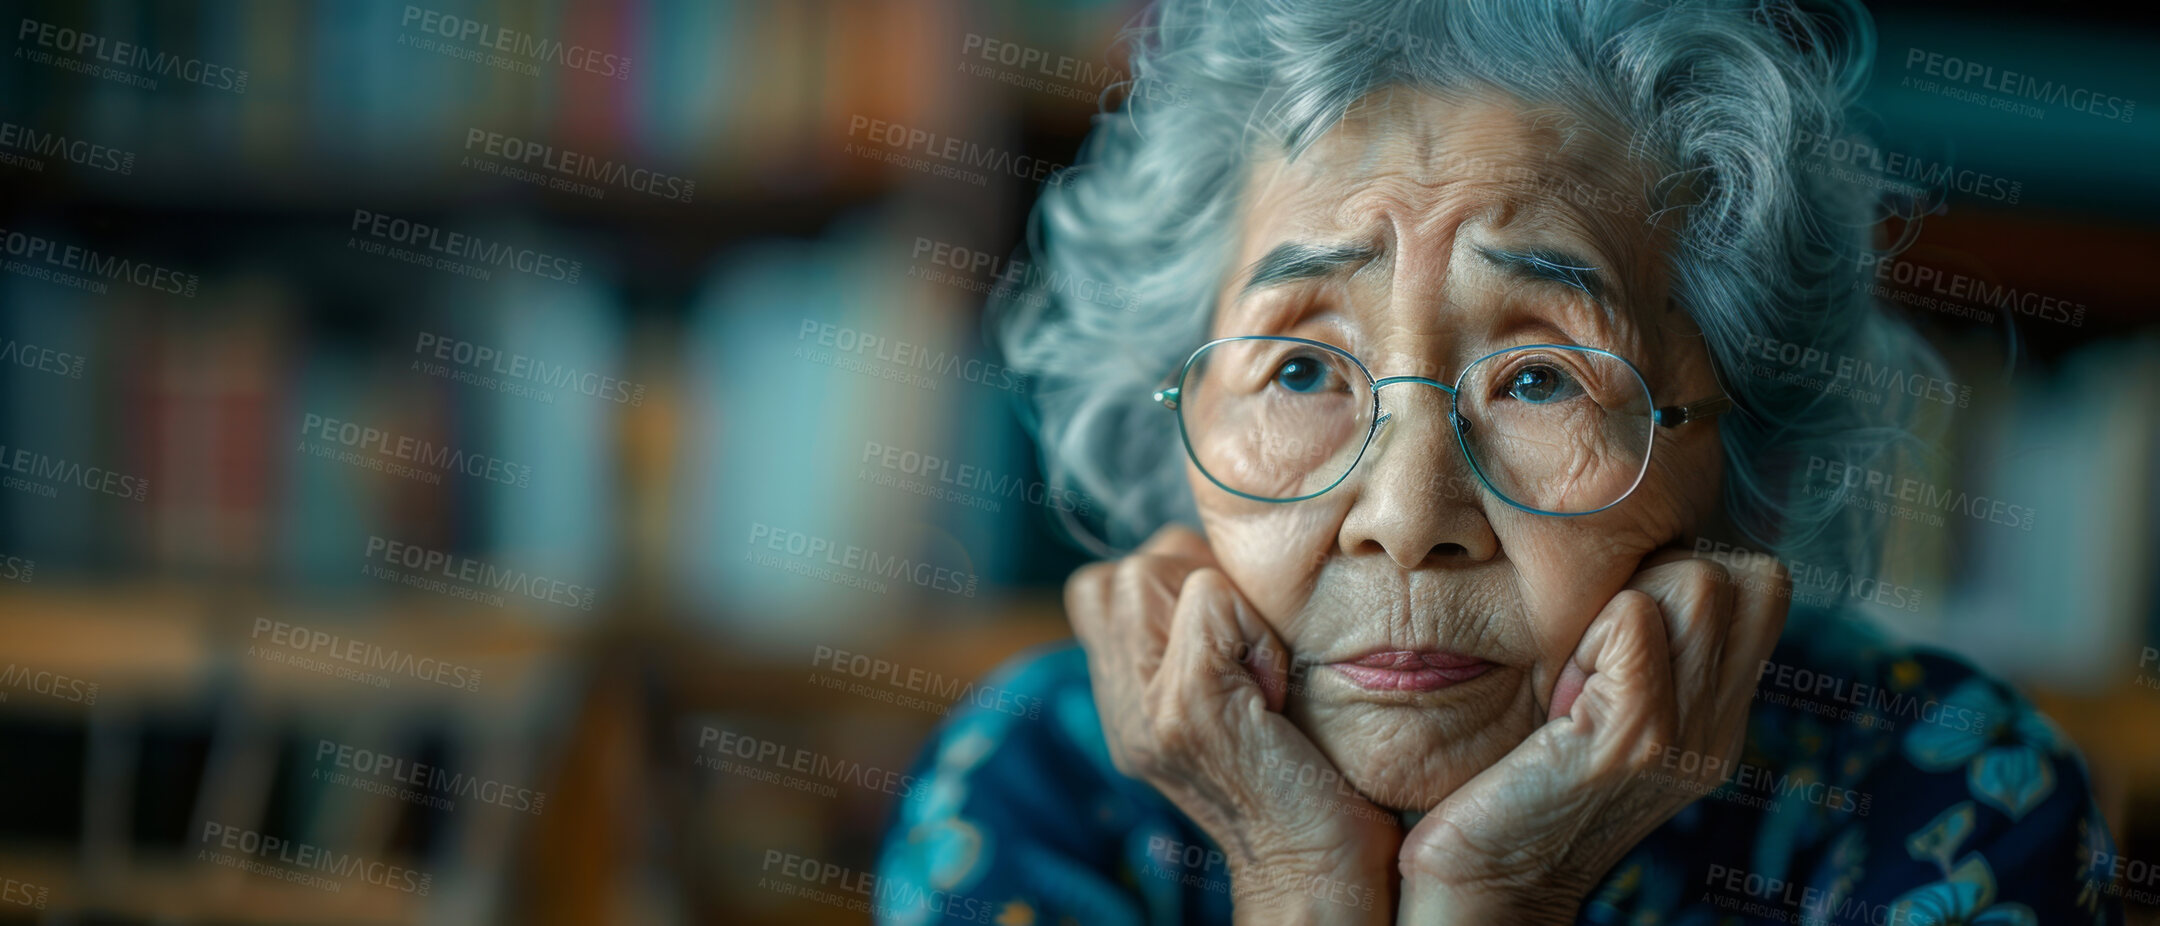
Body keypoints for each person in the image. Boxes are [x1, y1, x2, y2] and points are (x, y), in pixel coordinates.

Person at [877, 0, 2123, 922]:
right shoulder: (1043, 778)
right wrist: (1300, 880)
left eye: (1541, 376)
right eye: (1302, 368)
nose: (1407, 518)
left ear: (1750, 438)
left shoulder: (1941, 789)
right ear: (1179, 417)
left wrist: (1505, 890)